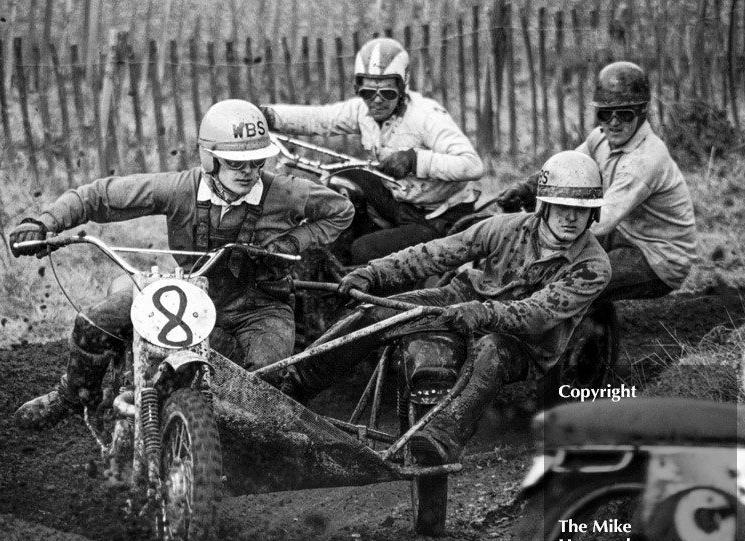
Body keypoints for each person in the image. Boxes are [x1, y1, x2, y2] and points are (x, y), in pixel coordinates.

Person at [9, 99, 354, 430]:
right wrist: (45, 223)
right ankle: (74, 395)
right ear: (209, 158)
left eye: (257, 162)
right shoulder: (179, 190)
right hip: (189, 291)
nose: (248, 172)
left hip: (262, 303)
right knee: (95, 323)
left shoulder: (287, 192)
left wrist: (293, 242)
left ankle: (221, 442)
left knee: (267, 378)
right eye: (236, 163)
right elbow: (98, 196)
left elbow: (342, 210)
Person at [284, 151, 611, 465]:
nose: (570, 217)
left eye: (580, 210)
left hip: (524, 343)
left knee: (492, 350)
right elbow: (438, 252)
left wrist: (482, 313)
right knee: (378, 314)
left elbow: (538, 314)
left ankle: (443, 438)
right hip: (460, 298)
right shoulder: (505, 227)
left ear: (593, 213)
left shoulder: (594, 265)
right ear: (545, 205)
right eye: (562, 206)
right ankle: (295, 383)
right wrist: (374, 272)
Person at [260, 37, 485, 264]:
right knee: (342, 179)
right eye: (368, 92)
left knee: (364, 251)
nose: (377, 101)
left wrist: (415, 160)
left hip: (437, 216)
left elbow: (472, 165)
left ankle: (368, 284)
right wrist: (267, 116)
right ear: (359, 89)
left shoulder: (426, 117)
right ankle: (347, 248)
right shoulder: (363, 110)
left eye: (387, 93)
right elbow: (319, 119)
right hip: (400, 199)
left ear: (402, 88)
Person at [498, 61, 697, 301]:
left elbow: (600, 223)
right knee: (556, 265)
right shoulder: (601, 138)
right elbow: (566, 167)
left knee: (571, 278)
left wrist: (543, 227)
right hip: (626, 233)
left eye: (624, 114)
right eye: (605, 113)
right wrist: (529, 187)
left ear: (642, 111)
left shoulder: (645, 160)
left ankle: (582, 333)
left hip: (660, 257)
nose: (613, 122)